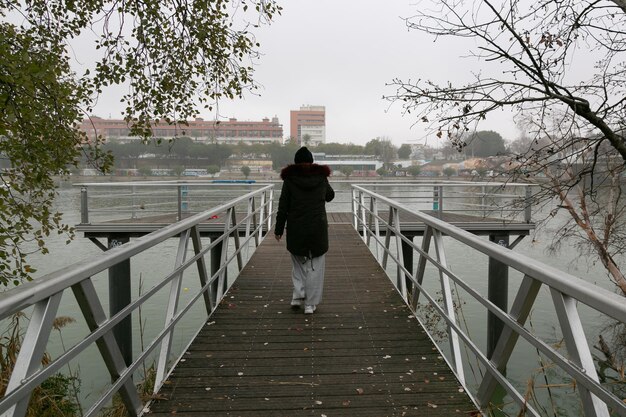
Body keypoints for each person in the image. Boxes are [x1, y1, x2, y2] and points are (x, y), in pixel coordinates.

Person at [274, 147, 335, 314]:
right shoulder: (321, 177)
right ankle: (310, 304)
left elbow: (283, 206)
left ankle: (298, 296)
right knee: (315, 266)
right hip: (318, 228)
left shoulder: (289, 180)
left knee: (299, 264)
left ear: (295, 162)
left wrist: (278, 229)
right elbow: (330, 196)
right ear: (312, 161)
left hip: (296, 228)